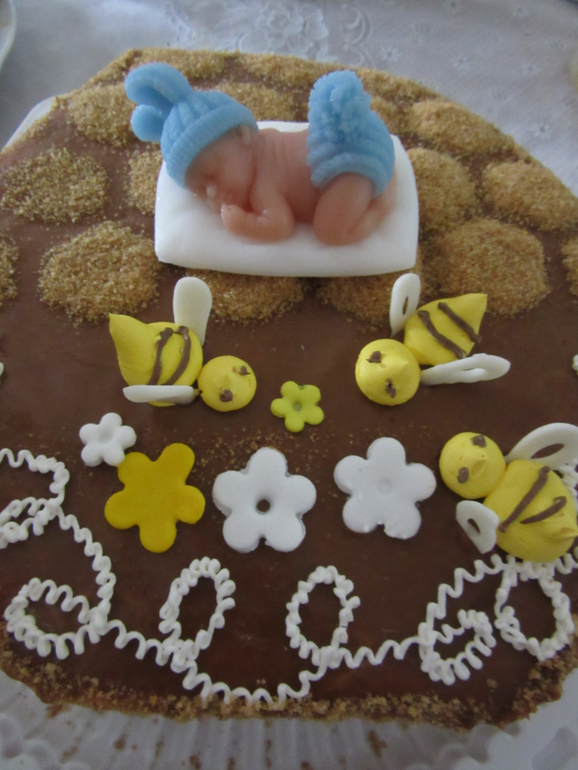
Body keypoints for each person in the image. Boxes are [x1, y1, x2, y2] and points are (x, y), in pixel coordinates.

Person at [125, 63, 396, 246]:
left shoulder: (262, 187)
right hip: (349, 147)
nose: (211, 191)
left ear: (242, 134)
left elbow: (280, 226)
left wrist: (242, 223)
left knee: (331, 232)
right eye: (200, 189)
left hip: (350, 167)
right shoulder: (265, 140)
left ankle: (381, 205)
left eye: (212, 173)